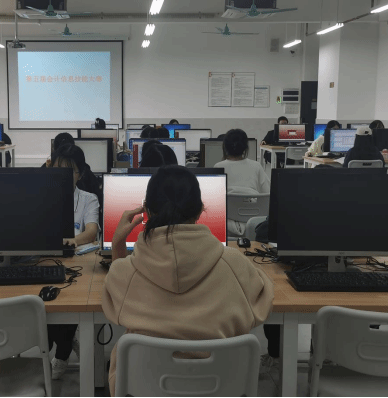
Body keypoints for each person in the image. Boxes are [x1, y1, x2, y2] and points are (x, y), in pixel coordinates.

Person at [102, 165, 274, 396]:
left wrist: (117, 244)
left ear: (147, 211)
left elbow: (114, 296)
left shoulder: (125, 272)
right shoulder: (235, 265)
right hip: (219, 389)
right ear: (201, 209)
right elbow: (262, 301)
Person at [47, 144, 100, 380]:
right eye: (58, 169)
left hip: (76, 263)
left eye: (71, 171)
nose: (64, 176)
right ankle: (64, 342)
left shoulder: (88, 199)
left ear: (81, 174)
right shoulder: (38, 195)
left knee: (70, 299)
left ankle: (63, 349)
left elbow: (91, 232)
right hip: (43, 261)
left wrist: (71, 241)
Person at [215, 129, 270, 237]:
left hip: (226, 228)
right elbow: (268, 196)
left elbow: (214, 203)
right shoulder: (256, 166)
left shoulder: (218, 167)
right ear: (245, 148)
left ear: (225, 147)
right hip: (254, 227)